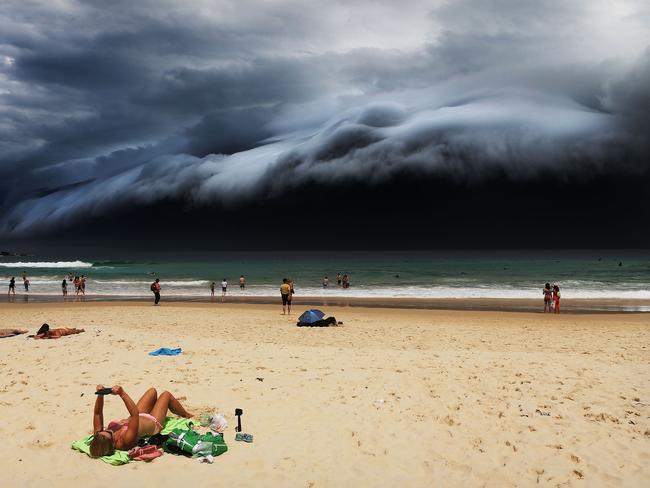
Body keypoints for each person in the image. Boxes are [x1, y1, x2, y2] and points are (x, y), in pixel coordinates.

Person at [89, 385, 193, 457]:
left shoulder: (99, 438)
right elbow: (134, 416)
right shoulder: (124, 440)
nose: (106, 430)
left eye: (101, 432)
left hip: (139, 414)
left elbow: (97, 413)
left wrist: (100, 395)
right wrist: (122, 394)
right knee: (166, 395)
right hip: (153, 421)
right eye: (108, 432)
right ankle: (186, 414)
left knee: (152, 391)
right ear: (111, 443)